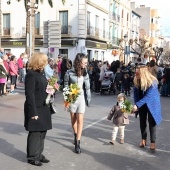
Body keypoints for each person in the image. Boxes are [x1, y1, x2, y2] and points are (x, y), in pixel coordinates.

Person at [24, 52, 52, 166]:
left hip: (43, 106)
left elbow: (41, 88)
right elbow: (29, 94)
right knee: (35, 132)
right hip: (35, 106)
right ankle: (32, 156)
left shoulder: (41, 73)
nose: (47, 62)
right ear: (40, 61)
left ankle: (39, 154)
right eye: (45, 61)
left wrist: (49, 88)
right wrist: (33, 112)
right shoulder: (31, 74)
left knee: (42, 131)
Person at [64, 53, 91, 154]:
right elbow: (65, 86)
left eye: (86, 63)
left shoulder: (85, 72)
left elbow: (87, 87)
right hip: (72, 97)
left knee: (80, 119)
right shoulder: (69, 73)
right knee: (73, 119)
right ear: (79, 62)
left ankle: (78, 143)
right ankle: (75, 134)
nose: (85, 64)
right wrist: (67, 98)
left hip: (81, 98)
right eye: (84, 63)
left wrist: (88, 99)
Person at [133, 65, 162, 150]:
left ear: (143, 73)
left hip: (152, 103)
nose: (135, 74)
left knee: (151, 122)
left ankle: (153, 142)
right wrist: (136, 105)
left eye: (137, 72)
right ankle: (143, 139)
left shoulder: (153, 82)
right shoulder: (136, 80)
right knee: (142, 121)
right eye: (135, 72)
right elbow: (135, 95)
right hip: (142, 103)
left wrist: (137, 105)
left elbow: (148, 97)